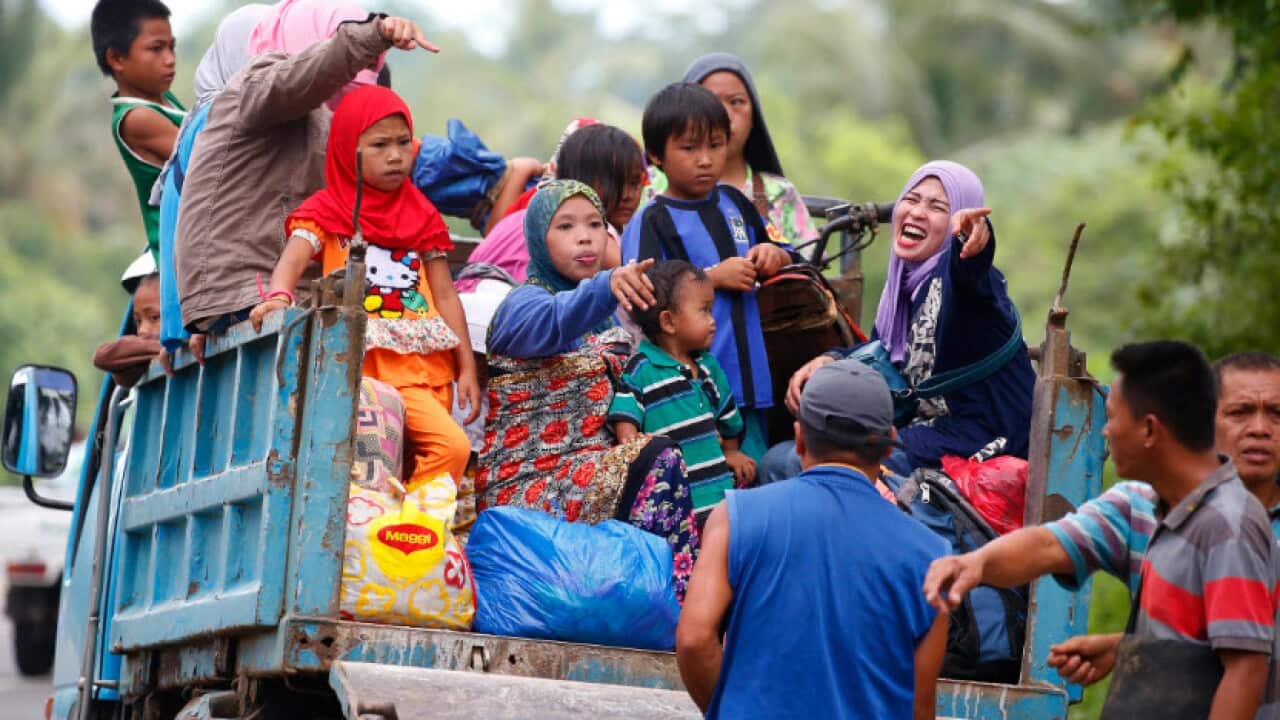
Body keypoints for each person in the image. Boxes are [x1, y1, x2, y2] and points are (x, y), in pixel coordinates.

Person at [925, 341, 1278, 719]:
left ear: (1149, 429)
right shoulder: (1148, 507)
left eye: (1275, 413)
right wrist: (975, 564)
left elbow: (1245, 667)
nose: (1259, 429)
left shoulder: (1228, 524)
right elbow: (1047, 544)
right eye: (1241, 412)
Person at [676, 360, 948, 719]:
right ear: (889, 446)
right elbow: (919, 706)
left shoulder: (737, 516)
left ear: (799, 437)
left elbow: (695, 640)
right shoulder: (933, 556)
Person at [249, 85, 476, 494]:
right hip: (354, 369)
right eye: (379, 145)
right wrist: (278, 298)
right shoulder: (328, 209)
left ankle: (413, 527)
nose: (395, 155)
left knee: (452, 448)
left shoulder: (422, 213)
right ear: (346, 150)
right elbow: (292, 260)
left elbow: (445, 295)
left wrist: (467, 367)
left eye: (403, 142)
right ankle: (380, 535)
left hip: (418, 371)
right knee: (369, 470)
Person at [481, 180, 700, 596]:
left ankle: (666, 601)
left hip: (593, 472)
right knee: (658, 457)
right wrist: (606, 284)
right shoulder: (523, 305)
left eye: (595, 224)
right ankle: (679, 604)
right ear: (537, 239)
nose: (584, 236)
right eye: (564, 226)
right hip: (532, 483)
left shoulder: (610, 319)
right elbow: (558, 321)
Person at [175, 3, 438, 337]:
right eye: (339, 36)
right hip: (250, 286)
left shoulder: (320, 116)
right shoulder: (263, 80)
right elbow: (307, 74)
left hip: (268, 291)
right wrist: (372, 35)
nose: (366, 68)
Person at [765, 160, 1033, 480]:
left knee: (793, 462)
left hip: (980, 438)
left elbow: (971, 274)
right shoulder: (903, 290)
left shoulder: (963, 282)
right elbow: (885, 354)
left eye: (938, 207)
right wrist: (831, 359)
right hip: (931, 431)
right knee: (789, 454)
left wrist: (974, 240)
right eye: (911, 199)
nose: (918, 212)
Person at [623, 82, 793, 465]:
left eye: (715, 145)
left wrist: (772, 255)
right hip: (688, 391)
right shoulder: (652, 219)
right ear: (655, 155)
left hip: (750, 379)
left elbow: (785, 251)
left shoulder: (736, 202)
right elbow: (643, 296)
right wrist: (714, 277)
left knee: (755, 471)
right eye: (689, 148)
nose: (705, 160)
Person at [153, 4, 270, 356]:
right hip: (214, 316)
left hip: (190, 320)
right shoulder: (222, 119)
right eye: (266, 50)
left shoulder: (200, 117)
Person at [608, 260, 752, 519]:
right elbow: (625, 415)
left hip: (719, 497)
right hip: (672, 506)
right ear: (668, 321)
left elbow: (729, 419)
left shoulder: (709, 367)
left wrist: (730, 452)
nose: (712, 321)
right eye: (704, 311)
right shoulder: (641, 369)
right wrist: (632, 447)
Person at [647, 53, 818, 246]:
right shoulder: (648, 184)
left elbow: (808, 265)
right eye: (710, 101)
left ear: (754, 115)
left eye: (736, 101)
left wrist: (778, 256)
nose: (725, 115)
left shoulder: (778, 193)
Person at [457, 122, 647, 292]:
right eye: (614, 183)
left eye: (634, 183)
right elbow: (638, 278)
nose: (627, 196)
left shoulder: (532, 209)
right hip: (502, 313)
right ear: (579, 179)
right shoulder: (587, 227)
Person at [91, 0, 186, 261]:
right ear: (117, 58)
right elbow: (210, 157)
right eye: (156, 49)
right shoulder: (137, 118)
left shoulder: (163, 98)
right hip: (181, 257)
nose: (170, 59)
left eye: (171, 46)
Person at [93, 253, 165, 388]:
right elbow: (104, 357)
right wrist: (165, 348)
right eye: (138, 321)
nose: (142, 330)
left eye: (154, 317)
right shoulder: (146, 357)